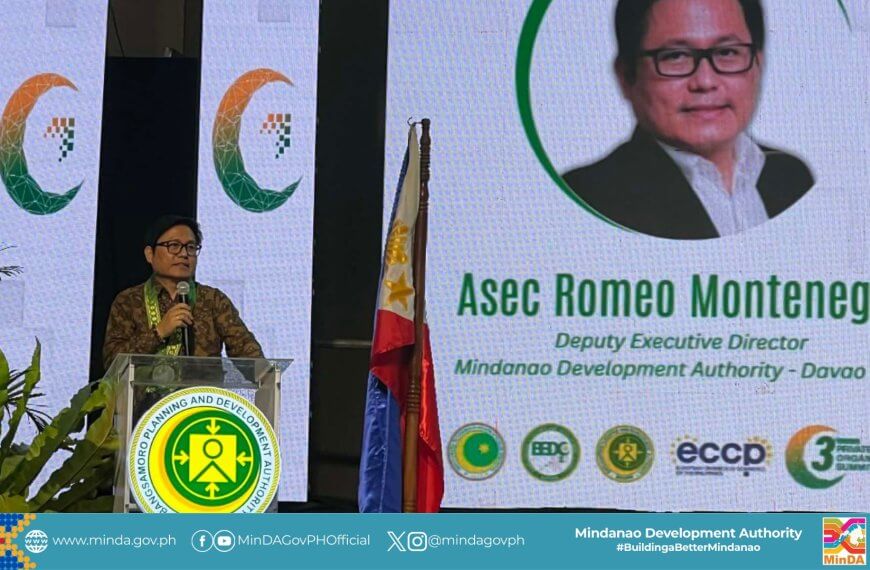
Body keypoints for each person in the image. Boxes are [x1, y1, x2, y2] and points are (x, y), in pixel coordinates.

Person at [561, 0, 813, 239]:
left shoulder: (791, 177)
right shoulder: (585, 197)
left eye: (727, 52)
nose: (705, 82)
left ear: (758, 64)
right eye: (675, 56)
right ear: (626, 76)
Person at [102, 215, 263, 370]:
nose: (184, 254)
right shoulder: (129, 301)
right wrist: (159, 332)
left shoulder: (213, 299)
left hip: (201, 397)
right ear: (149, 254)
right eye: (173, 246)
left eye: (191, 247)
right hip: (145, 398)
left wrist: (264, 375)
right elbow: (112, 363)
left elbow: (247, 353)